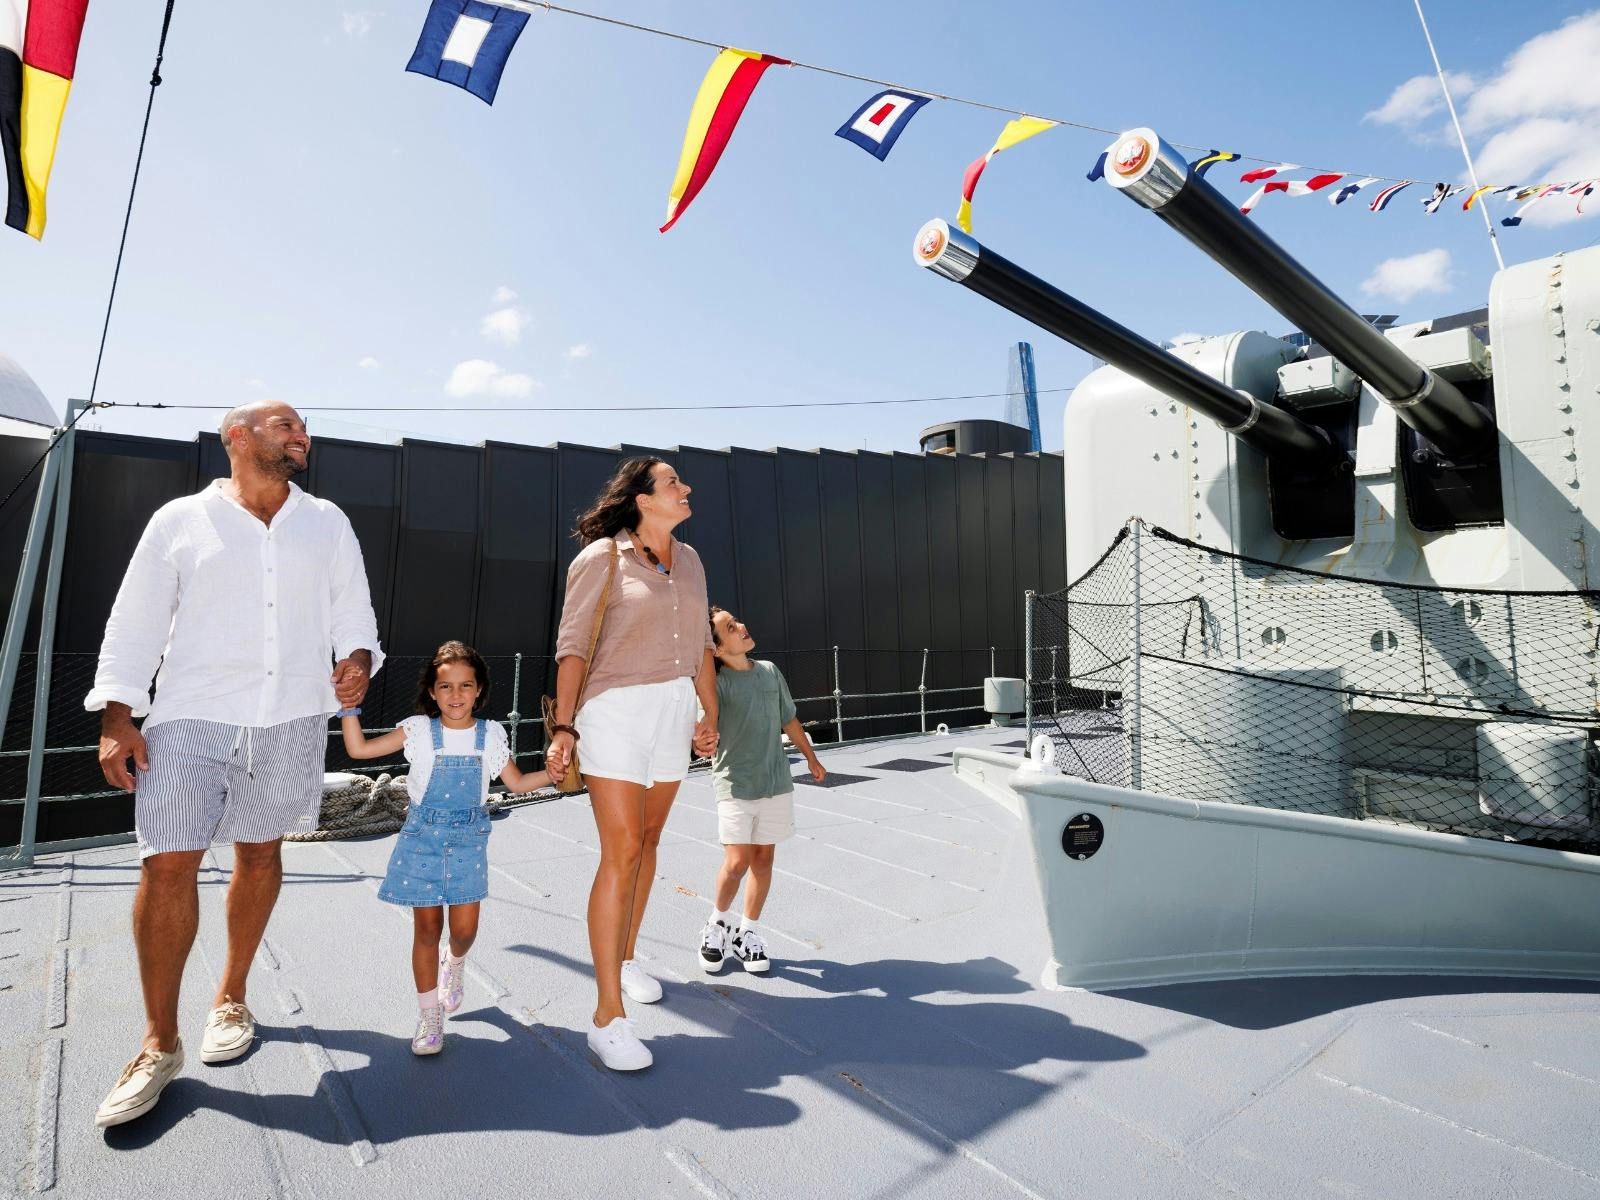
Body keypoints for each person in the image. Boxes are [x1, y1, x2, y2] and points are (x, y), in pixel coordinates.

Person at [86, 401, 383, 1129]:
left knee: (260, 852)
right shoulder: (180, 520)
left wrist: (356, 659)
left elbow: (355, 609)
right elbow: (135, 620)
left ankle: (231, 997)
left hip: (290, 715)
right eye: (286, 424)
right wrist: (119, 718)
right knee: (166, 864)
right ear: (238, 437)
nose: (301, 434)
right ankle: (159, 1043)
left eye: (304, 427)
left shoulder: (328, 521)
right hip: (189, 714)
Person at [547, 457, 718, 1071]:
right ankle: (606, 1016)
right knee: (620, 850)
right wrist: (564, 726)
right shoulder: (602, 558)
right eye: (674, 482)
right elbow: (572, 648)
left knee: (647, 842)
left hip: (674, 709)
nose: (686, 488)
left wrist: (709, 713)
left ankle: (626, 956)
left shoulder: (692, 560)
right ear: (643, 499)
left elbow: (701, 644)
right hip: (614, 710)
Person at [341, 641, 548, 1055]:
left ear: (479, 690)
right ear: (433, 692)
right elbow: (358, 750)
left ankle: (454, 964)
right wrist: (349, 710)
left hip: (469, 841)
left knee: (465, 931)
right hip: (422, 840)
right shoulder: (417, 730)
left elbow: (518, 783)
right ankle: (429, 1015)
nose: (456, 695)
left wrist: (554, 774)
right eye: (446, 686)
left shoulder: (490, 735)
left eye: (465, 685)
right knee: (427, 929)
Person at [697, 607, 824, 976]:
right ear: (717, 649)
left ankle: (747, 933)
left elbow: (789, 718)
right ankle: (717, 925)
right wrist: (700, 737)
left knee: (763, 862)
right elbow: (703, 726)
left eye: (738, 621)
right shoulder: (715, 686)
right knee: (737, 862)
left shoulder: (770, 672)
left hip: (774, 782)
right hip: (735, 783)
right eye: (730, 627)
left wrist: (811, 759)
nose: (742, 627)